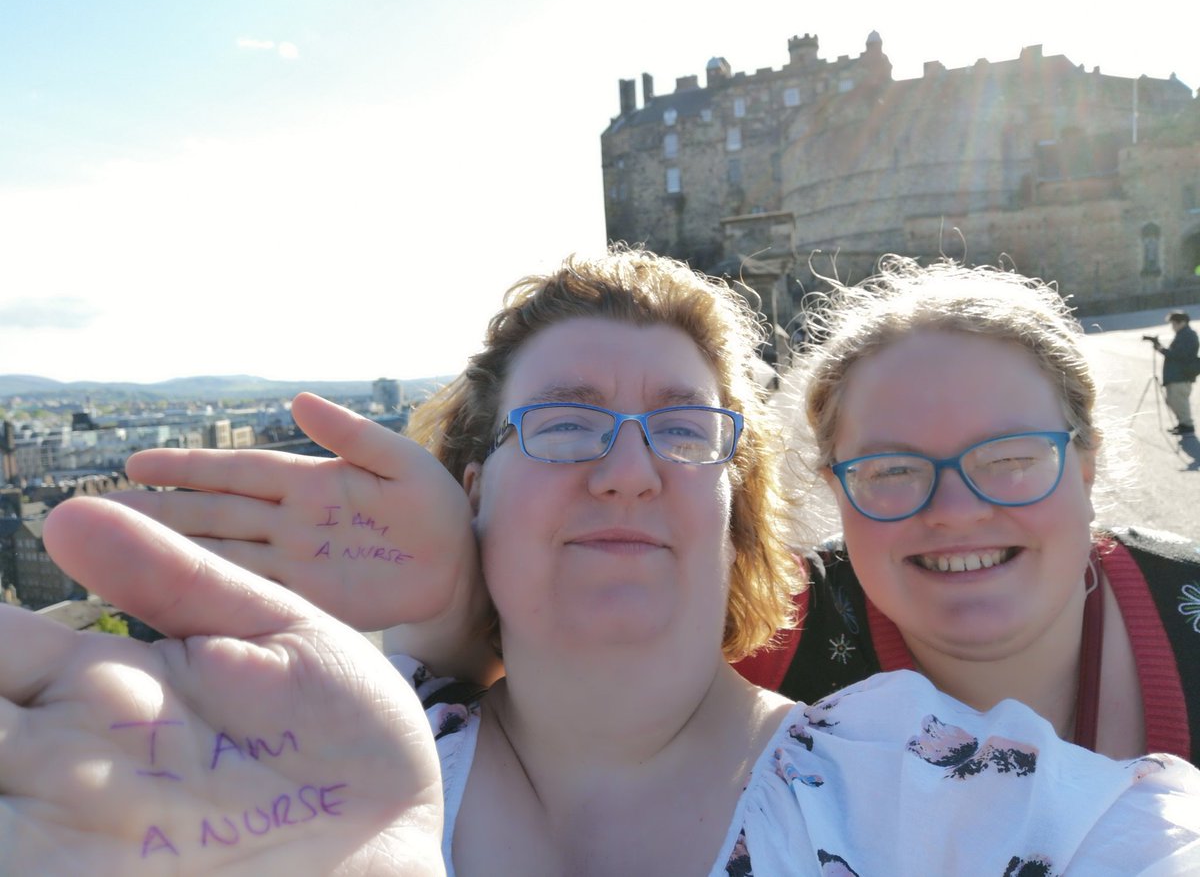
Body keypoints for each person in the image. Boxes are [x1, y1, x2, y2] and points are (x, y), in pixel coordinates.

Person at [44, 246, 1197, 874]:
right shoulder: (317, 763)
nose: (629, 468)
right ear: (475, 489)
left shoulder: (934, 782)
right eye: (567, 422)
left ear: (739, 512)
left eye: (685, 430)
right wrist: (450, 614)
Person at [735, 259, 1200, 767]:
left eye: (1009, 458)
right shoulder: (768, 632)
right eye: (892, 471)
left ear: (1085, 468)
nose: (956, 512)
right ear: (836, 489)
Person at [1150, 310, 1198, 436]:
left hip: (1181, 376)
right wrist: (1162, 349)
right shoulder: (1183, 334)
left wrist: (1162, 349)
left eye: (1174, 324)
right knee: (1172, 400)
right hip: (1177, 375)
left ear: (1182, 322)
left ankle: (1187, 425)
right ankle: (1183, 423)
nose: (1172, 327)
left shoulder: (1188, 335)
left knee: (1179, 401)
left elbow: (1180, 355)